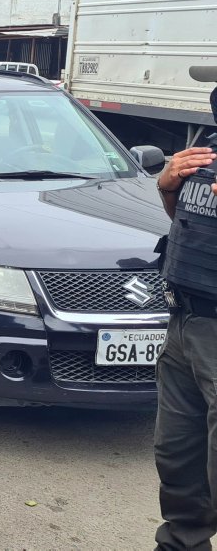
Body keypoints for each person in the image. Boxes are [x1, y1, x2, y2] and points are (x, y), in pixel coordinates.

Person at [154, 75, 217, 551]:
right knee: (178, 458)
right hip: (184, 323)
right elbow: (186, 224)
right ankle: (182, 542)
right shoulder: (208, 147)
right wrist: (169, 186)